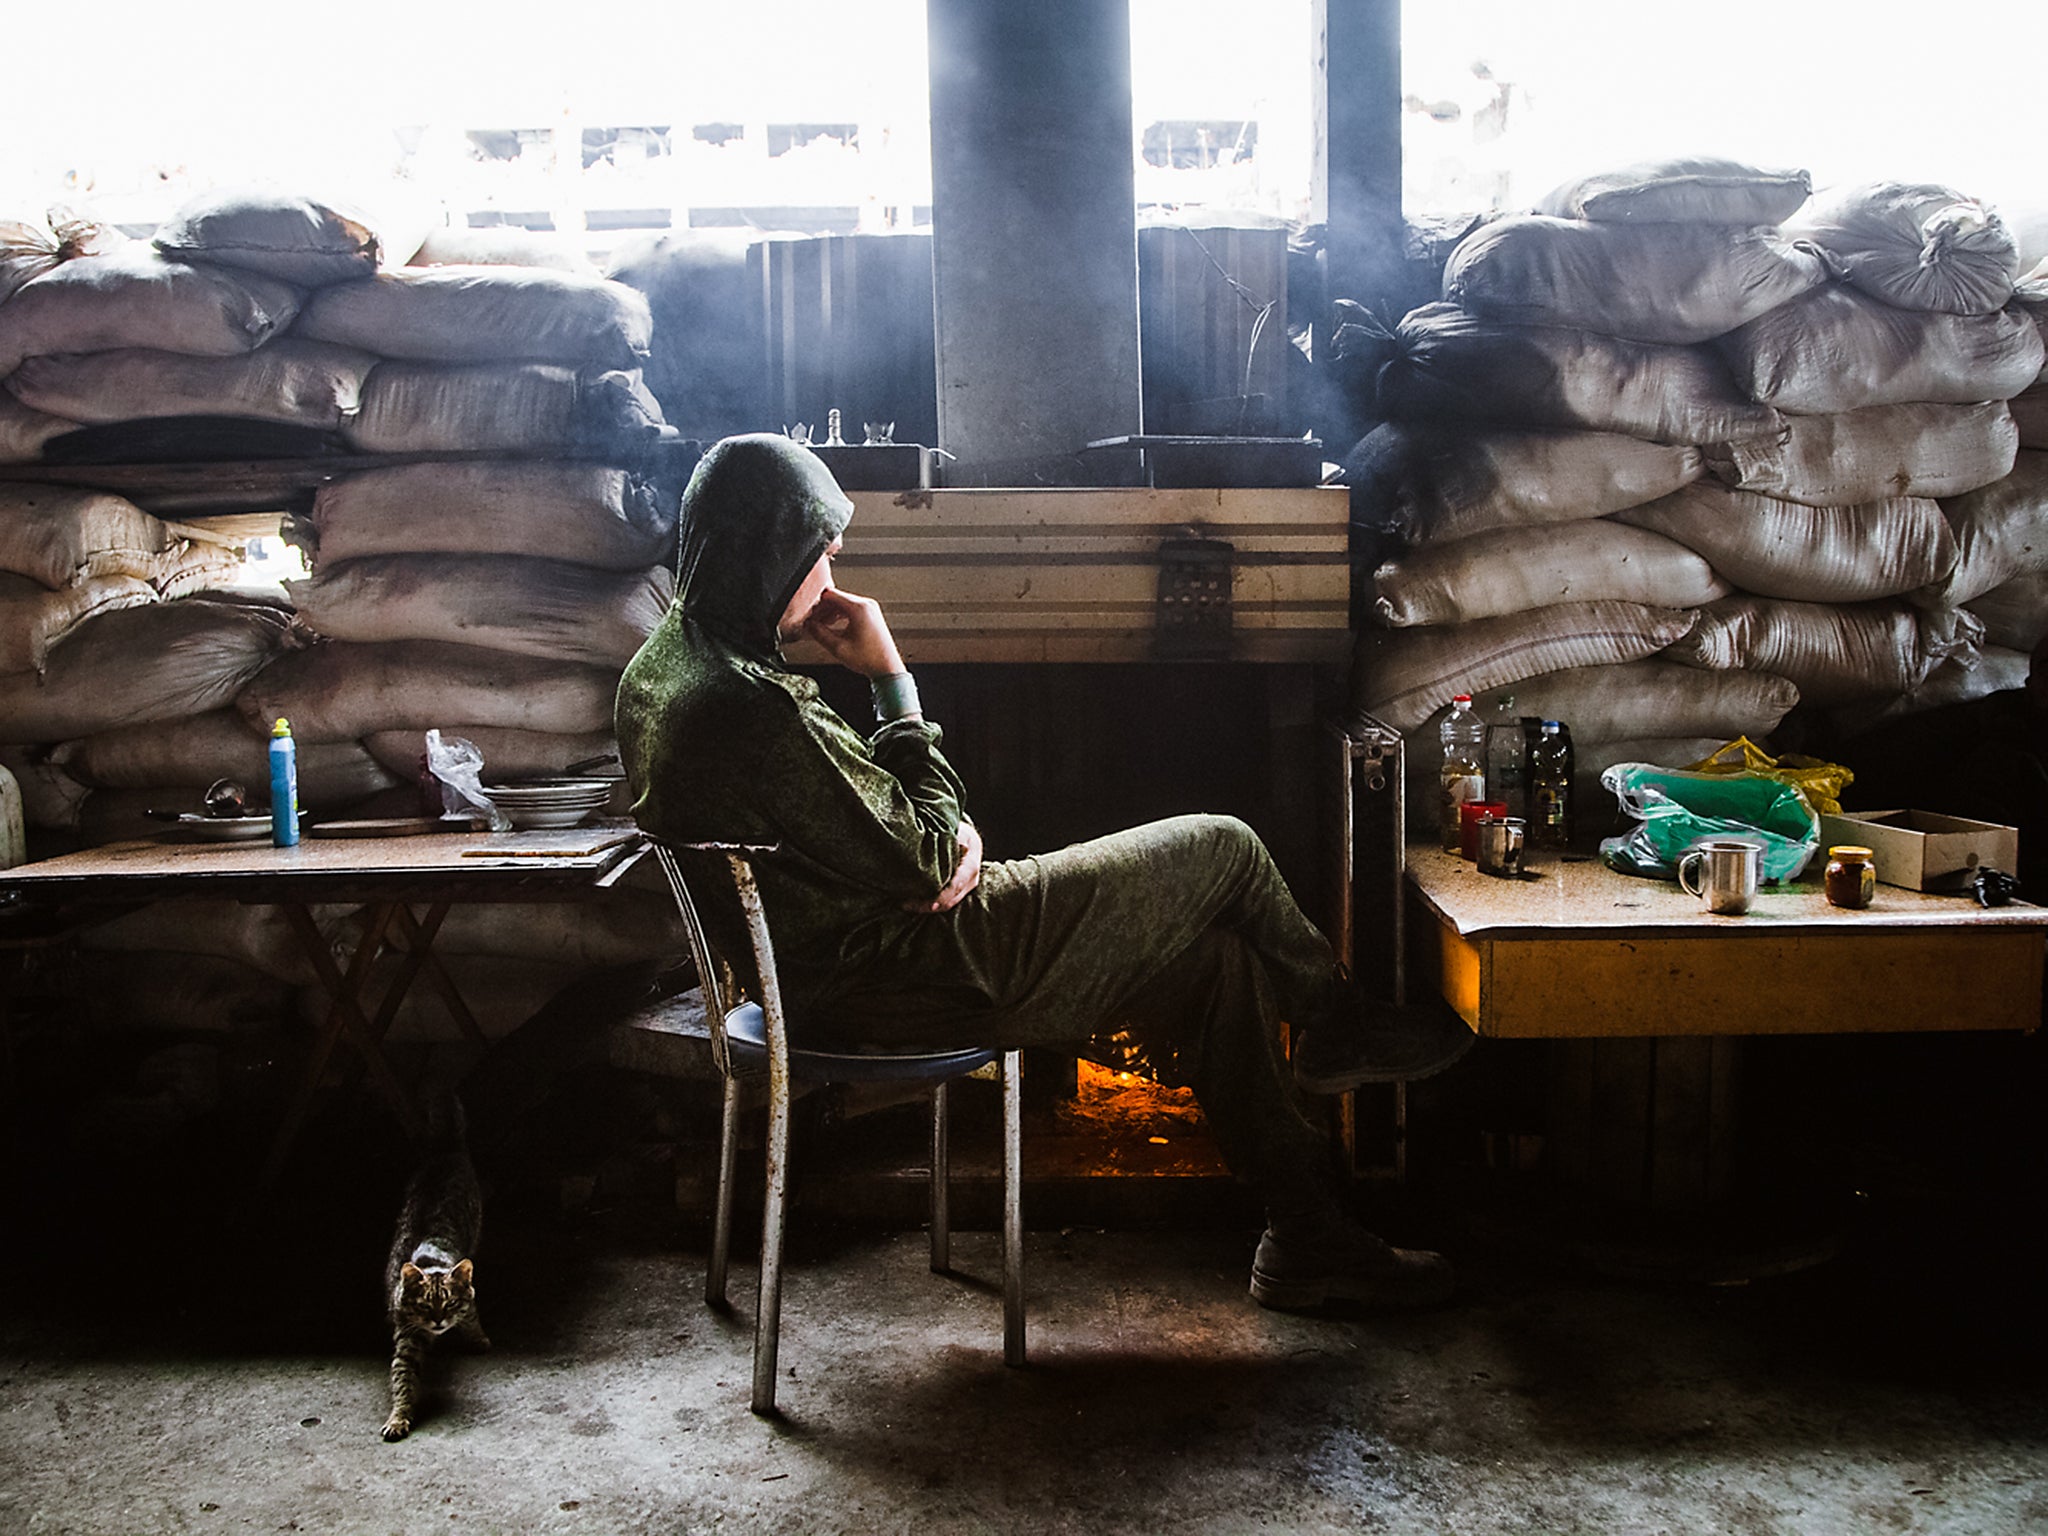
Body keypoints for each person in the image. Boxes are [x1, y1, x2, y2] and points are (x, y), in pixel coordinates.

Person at [617, 434, 1474, 1309]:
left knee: (1215, 969)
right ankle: (1335, 1023)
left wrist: (943, 848)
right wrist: (892, 681)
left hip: (835, 964)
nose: (834, 584)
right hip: (912, 970)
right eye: (820, 557)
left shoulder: (664, 669)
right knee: (1225, 845)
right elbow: (921, 851)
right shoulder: (749, 708)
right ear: (768, 553)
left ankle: (1308, 1234)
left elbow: (909, 843)